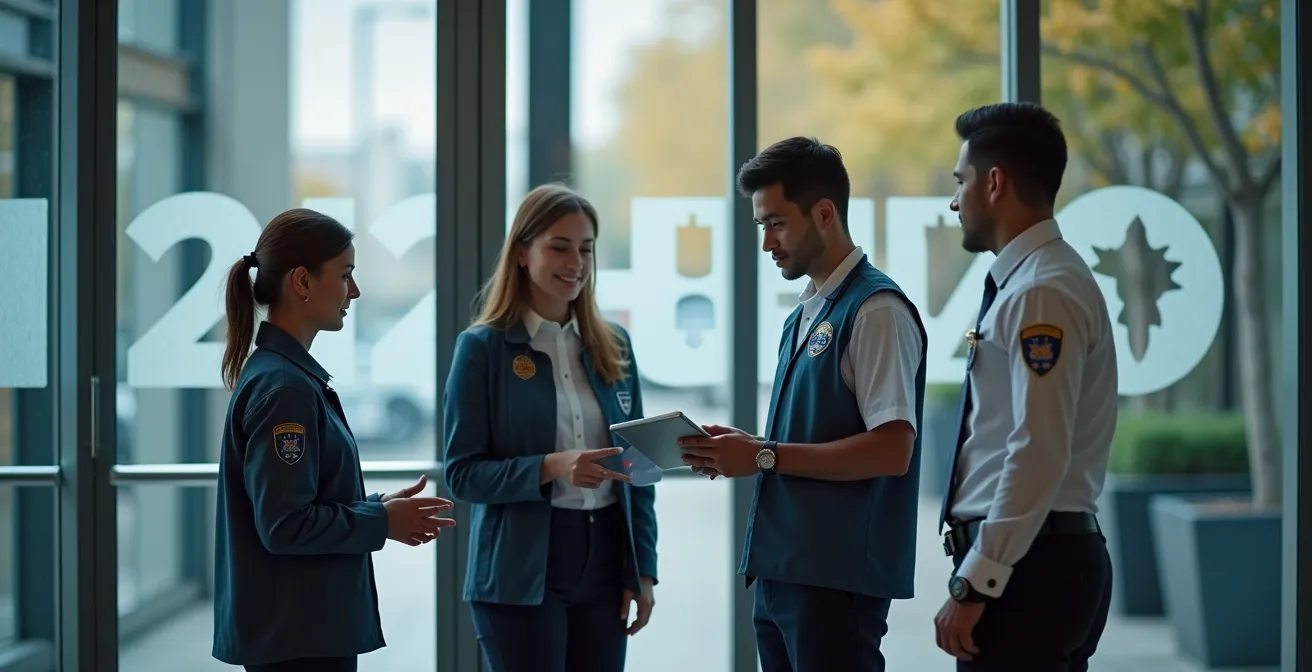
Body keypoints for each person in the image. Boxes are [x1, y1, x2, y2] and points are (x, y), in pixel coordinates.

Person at [678, 137, 928, 672]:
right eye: (760, 226)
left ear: (823, 213)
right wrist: (743, 448)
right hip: (783, 573)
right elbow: (811, 434)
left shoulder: (876, 309)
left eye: (776, 223)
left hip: (834, 582)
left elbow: (892, 450)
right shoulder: (806, 313)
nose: (767, 242)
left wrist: (763, 456)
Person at [212, 208, 456, 672]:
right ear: (302, 282)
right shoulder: (285, 388)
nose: (355, 291)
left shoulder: (286, 377)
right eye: (346, 275)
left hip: (300, 632)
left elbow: (298, 501)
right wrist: (381, 523)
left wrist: (377, 509)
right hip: (298, 639)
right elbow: (285, 526)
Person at [442, 183, 658, 672]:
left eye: (585, 249)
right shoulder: (482, 349)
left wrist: (643, 568)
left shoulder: (615, 345)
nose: (576, 262)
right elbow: (462, 474)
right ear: (522, 252)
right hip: (520, 569)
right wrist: (554, 467)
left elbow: (638, 466)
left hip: (605, 559)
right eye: (559, 246)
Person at [933, 102, 1117, 671]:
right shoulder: (1038, 281)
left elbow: (1038, 447)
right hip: (1035, 563)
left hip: (1028, 574)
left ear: (994, 183)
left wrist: (978, 582)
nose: (954, 199)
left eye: (960, 182)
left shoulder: (1041, 292)